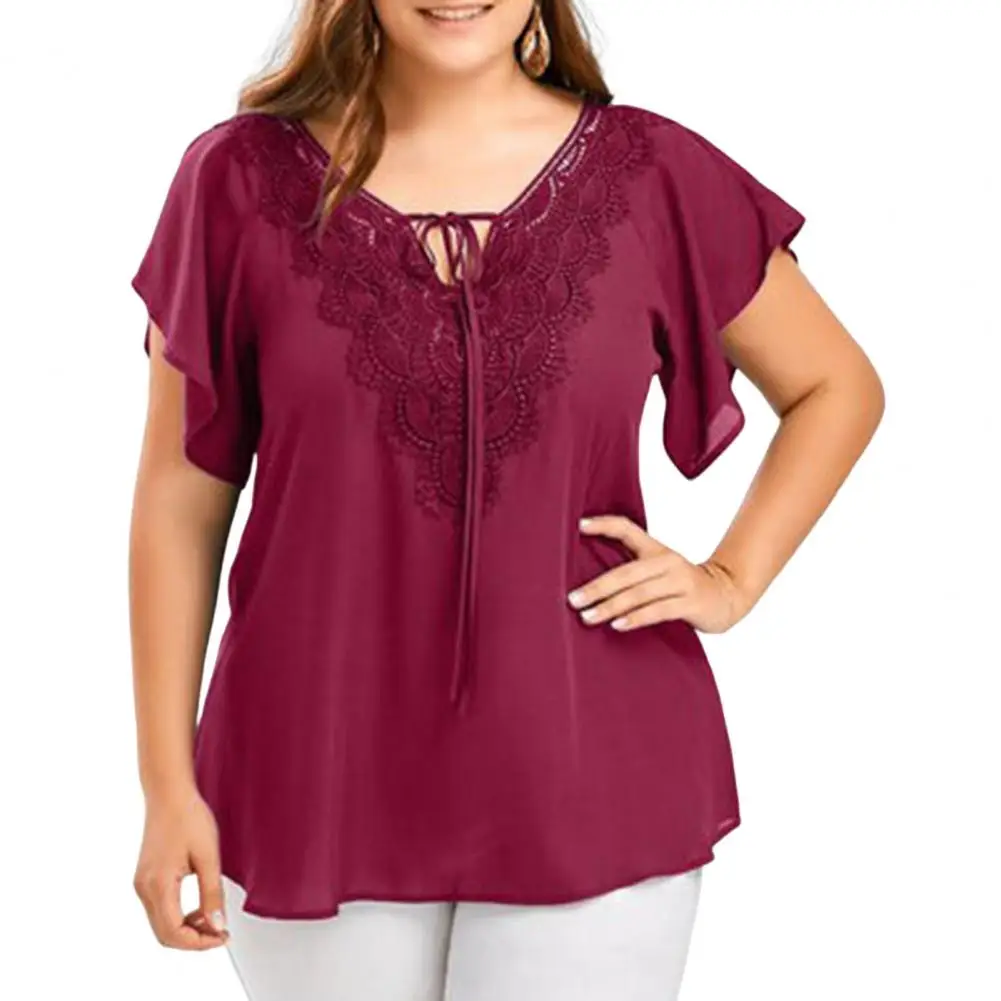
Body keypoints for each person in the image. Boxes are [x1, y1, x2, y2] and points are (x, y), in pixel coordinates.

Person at [127, 1, 884, 998]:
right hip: (310, 763)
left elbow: (835, 385)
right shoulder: (232, 181)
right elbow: (180, 495)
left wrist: (730, 578)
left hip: (589, 763)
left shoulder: (652, 175)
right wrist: (165, 784)